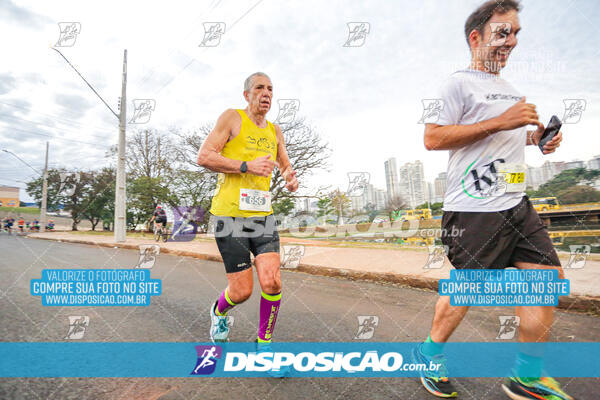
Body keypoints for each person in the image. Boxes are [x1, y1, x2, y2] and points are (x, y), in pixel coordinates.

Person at [414, 1, 573, 399]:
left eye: (516, 33)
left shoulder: (512, 91)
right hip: (474, 210)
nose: (512, 41)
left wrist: (538, 139)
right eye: (503, 33)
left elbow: (508, 138)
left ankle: (527, 376)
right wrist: (502, 121)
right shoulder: (456, 84)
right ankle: (429, 354)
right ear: (476, 37)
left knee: (546, 281)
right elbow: (433, 138)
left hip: (517, 204)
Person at [197, 72, 298, 373]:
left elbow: (285, 162)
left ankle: (263, 348)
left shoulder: (275, 131)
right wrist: (246, 166)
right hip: (229, 218)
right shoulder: (232, 118)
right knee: (242, 292)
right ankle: (218, 312)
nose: (266, 93)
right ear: (247, 95)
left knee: (273, 280)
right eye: (259, 88)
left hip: (262, 217)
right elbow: (204, 156)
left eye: (270, 89)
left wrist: (289, 176)